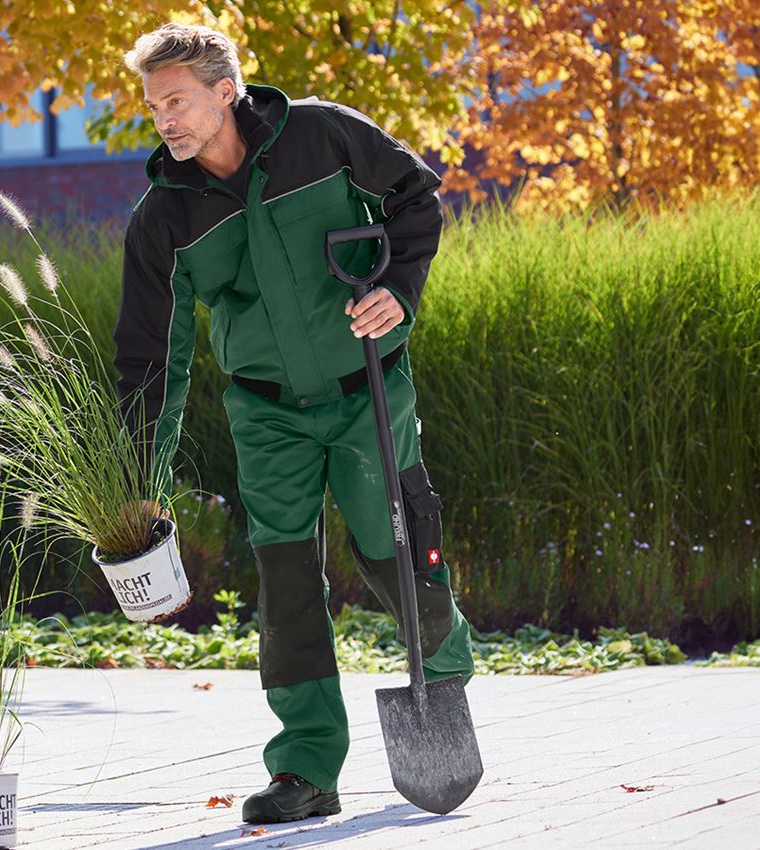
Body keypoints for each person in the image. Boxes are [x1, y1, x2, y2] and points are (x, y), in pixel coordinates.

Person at [114, 22, 475, 825]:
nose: (164, 119)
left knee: (392, 548)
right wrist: (138, 485)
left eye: (176, 101)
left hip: (367, 388)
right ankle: (306, 768)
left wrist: (401, 292)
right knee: (285, 582)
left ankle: (442, 665)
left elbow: (417, 196)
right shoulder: (164, 216)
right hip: (264, 413)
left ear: (224, 91)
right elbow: (149, 360)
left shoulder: (322, 134)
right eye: (153, 106)